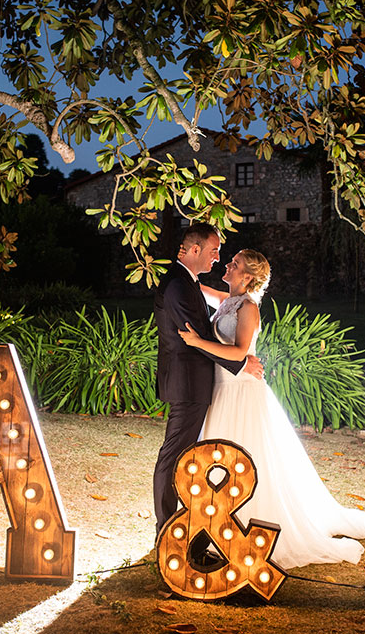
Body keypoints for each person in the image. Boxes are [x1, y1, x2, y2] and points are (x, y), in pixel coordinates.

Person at [179, 248, 365, 569]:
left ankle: (241, 523)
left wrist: (197, 342)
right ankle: (213, 520)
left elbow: (242, 352)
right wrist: (181, 273)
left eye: (235, 263)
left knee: (243, 455)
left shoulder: (248, 308)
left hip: (241, 393)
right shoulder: (228, 300)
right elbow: (198, 288)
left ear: (247, 277)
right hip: (222, 390)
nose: (228, 264)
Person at [152, 223, 263, 539]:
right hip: (189, 384)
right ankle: (166, 530)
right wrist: (241, 363)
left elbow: (205, 332)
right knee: (174, 456)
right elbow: (196, 337)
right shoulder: (178, 285)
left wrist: (241, 360)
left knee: (188, 456)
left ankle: (186, 526)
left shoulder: (189, 283)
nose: (219, 259)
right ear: (195, 250)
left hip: (204, 384)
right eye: (215, 251)